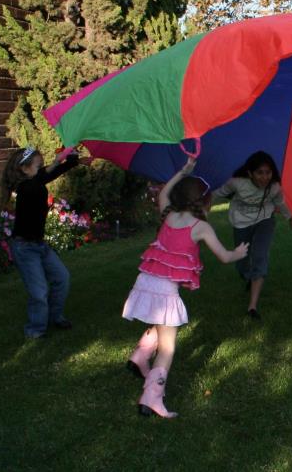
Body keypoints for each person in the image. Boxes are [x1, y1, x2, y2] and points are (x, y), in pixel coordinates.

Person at [123, 157, 249, 418]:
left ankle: (140, 356)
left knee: (160, 322)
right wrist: (239, 252)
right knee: (167, 347)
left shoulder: (167, 212)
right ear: (204, 201)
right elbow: (224, 257)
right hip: (165, 290)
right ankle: (150, 399)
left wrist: (182, 171)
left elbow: (165, 192)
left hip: (144, 281)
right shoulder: (200, 227)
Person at [0, 147, 81, 339]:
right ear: (25, 169)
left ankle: (55, 316)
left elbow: (48, 174)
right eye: (38, 165)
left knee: (62, 278)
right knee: (39, 291)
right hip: (25, 248)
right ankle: (35, 330)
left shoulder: (35, 180)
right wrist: (59, 160)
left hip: (39, 245)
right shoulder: (25, 188)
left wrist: (71, 158)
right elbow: (43, 177)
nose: (41, 168)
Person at [211, 151, 292, 319]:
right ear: (250, 173)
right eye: (260, 172)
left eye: (268, 172)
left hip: (264, 221)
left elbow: (279, 202)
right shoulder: (236, 183)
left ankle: (252, 306)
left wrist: (291, 219)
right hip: (241, 223)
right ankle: (248, 277)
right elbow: (217, 194)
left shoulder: (274, 187)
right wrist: (201, 207)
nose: (265, 177)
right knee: (242, 262)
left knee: (260, 256)